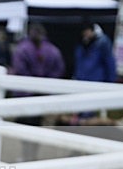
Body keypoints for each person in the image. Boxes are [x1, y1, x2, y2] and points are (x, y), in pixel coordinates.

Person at [8, 23, 65, 160]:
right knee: (37, 127)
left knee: (25, 127)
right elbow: (59, 70)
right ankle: (32, 156)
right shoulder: (53, 51)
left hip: (24, 96)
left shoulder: (22, 49)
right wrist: (44, 85)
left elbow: (19, 70)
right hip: (42, 96)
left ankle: (26, 155)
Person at [73, 23, 117, 122]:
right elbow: (79, 63)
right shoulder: (82, 43)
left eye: (87, 32)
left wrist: (110, 81)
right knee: (81, 109)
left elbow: (109, 63)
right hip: (82, 80)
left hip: (95, 80)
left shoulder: (103, 43)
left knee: (91, 109)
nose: (85, 34)